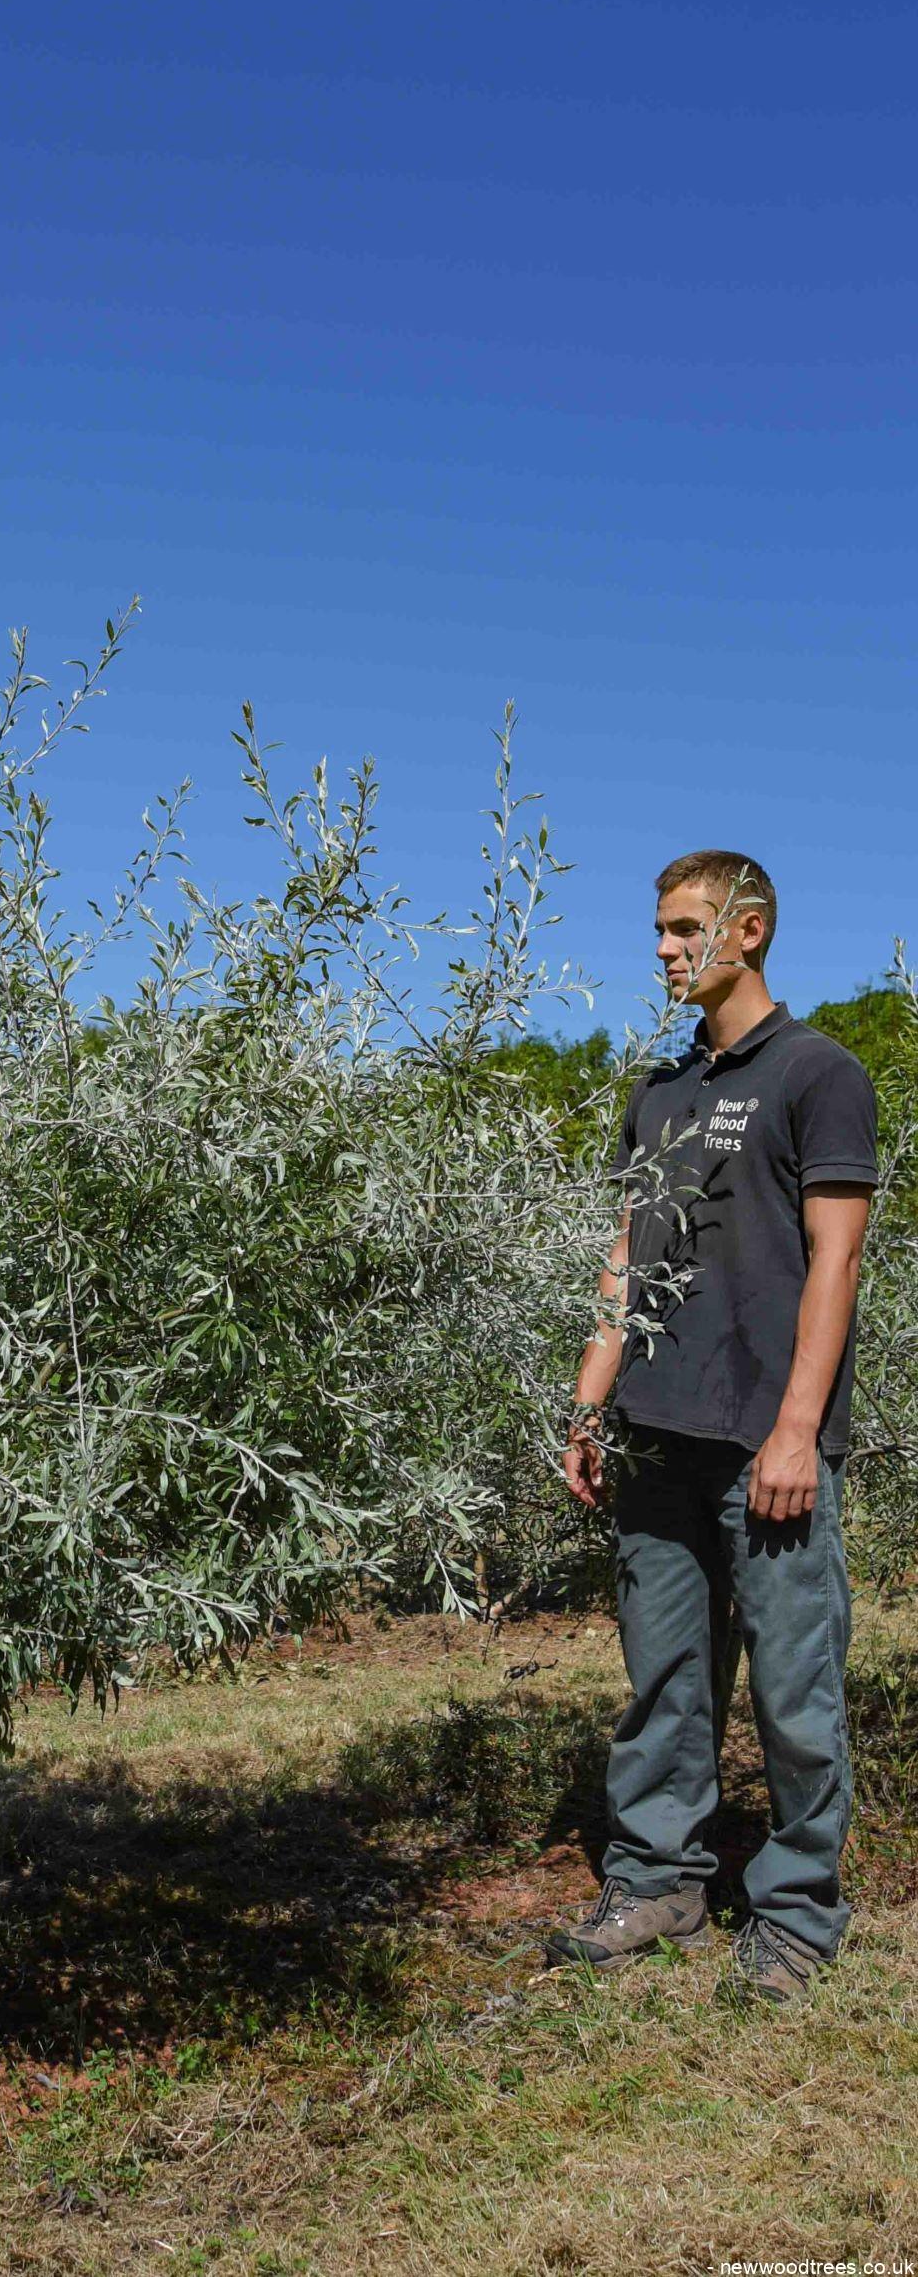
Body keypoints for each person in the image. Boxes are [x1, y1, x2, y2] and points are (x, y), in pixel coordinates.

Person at [546, 851, 878, 2001]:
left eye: (685, 927)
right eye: (660, 928)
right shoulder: (658, 1088)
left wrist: (798, 1430)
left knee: (794, 1691)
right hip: (653, 1432)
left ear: (749, 932)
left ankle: (793, 1915)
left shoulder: (817, 1073)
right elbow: (625, 1255)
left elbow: (837, 1260)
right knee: (663, 1680)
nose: (663, 947)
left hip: (765, 1442)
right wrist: (588, 1404)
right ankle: (657, 1881)